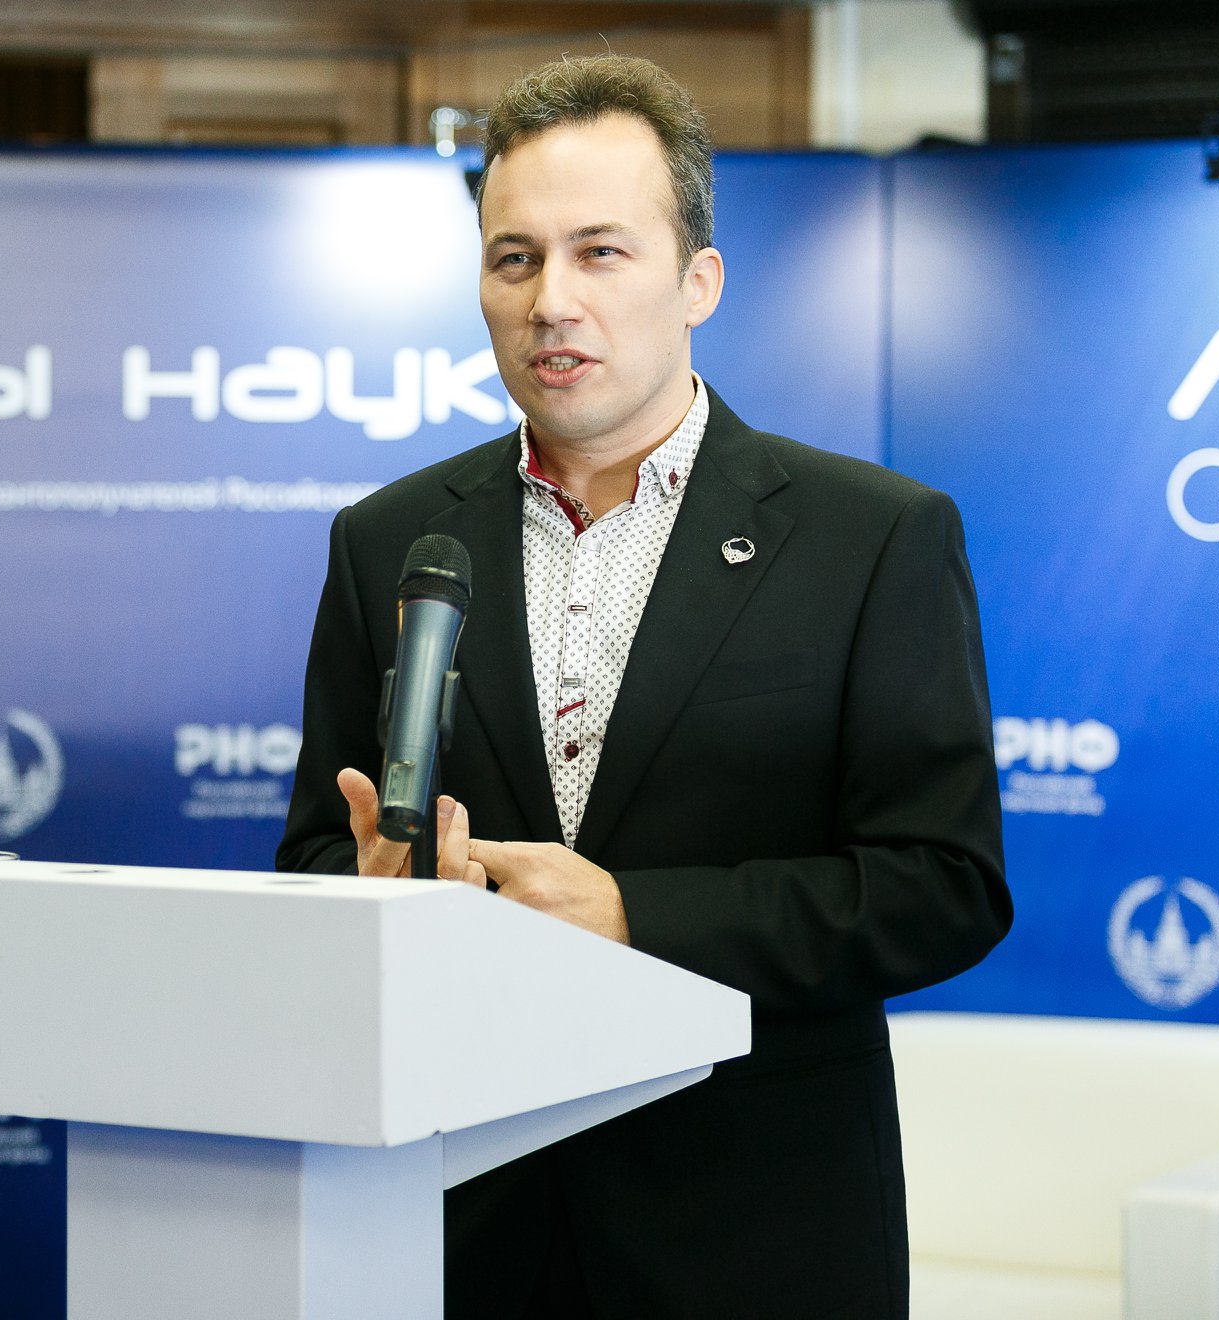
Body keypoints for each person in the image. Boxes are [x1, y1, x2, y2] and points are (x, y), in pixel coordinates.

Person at [276, 53, 1010, 1319]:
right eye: (514, 259)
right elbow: (312, 860)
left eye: (600, 253)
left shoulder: (871, 536)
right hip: (460, 1227)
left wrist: (632, 915)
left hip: (754, 1240)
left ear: (697, 281)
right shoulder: (391, 539)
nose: (551, 300)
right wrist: (376, 892)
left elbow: (943, 887)